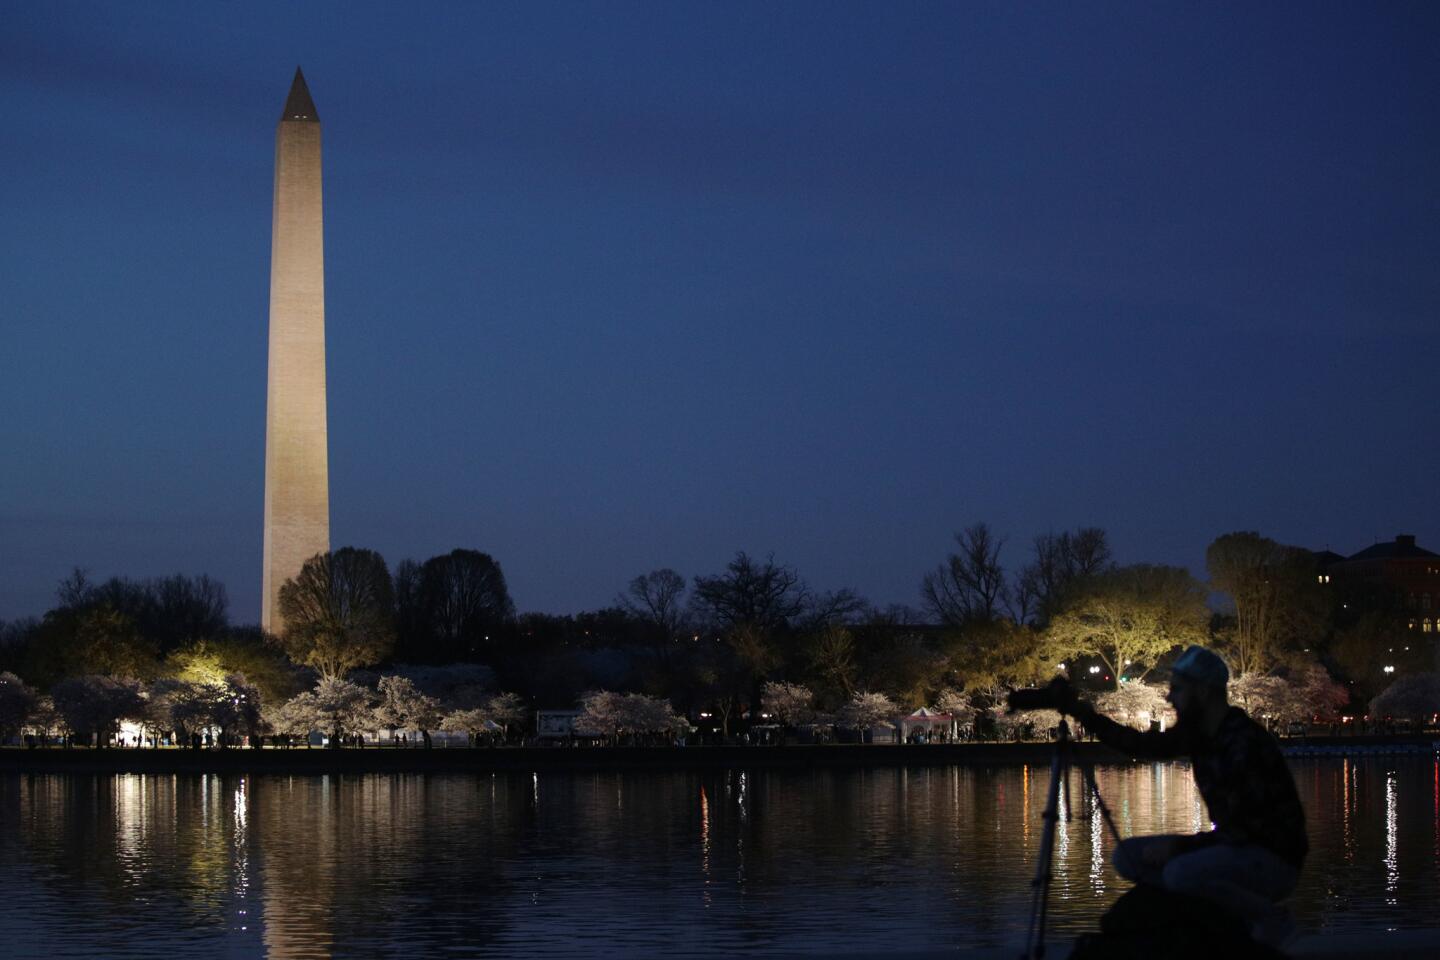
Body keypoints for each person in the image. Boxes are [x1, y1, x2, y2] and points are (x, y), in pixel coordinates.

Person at [1049, 645, 1306, 948]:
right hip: (1236, 847)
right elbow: (1140, 745)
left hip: (1273, 858)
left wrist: (1179, 847)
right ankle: (1201, 931)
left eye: (1178, 689)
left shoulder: (1243, 743)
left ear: (1204, 692)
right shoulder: (1201, 735)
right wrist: (1085, 716)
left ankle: (1268, 919)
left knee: (1179, 872)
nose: (1170, 698)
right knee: (1128, 858)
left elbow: (1246, 830)